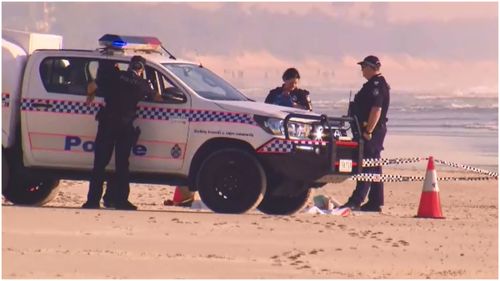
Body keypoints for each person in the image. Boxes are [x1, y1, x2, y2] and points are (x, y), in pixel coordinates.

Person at [82, 55, 158, 210]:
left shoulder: (115, 76)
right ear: (141, 69)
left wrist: (90, 96)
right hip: (125, 126)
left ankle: (92, 201)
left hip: (107, 124)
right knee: (122, 165)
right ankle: (120, 201)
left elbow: (92, 86)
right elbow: (157, 98)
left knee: (100, 164)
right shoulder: (142, 84)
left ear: (129, 65)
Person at [341, 55, 390, 212]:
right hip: (366, 128)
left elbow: (376, 110)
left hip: (372, 131)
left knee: (368, 164)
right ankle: (375, 201)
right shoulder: (370, 84)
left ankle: (356, 200)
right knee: (374, 164)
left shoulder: (377, 85)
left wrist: (368, 130)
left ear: (370, 68)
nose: (362, 70)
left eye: (363, 67)